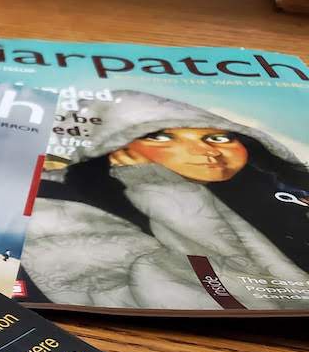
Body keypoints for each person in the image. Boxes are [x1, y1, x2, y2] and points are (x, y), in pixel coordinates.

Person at [23, 90, 309, 309]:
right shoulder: (58, 212)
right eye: (160, 138)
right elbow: (208, 297)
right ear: (113, 145)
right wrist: (160, 189)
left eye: (219, 137)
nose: (206, 151)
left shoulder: (275, 191)